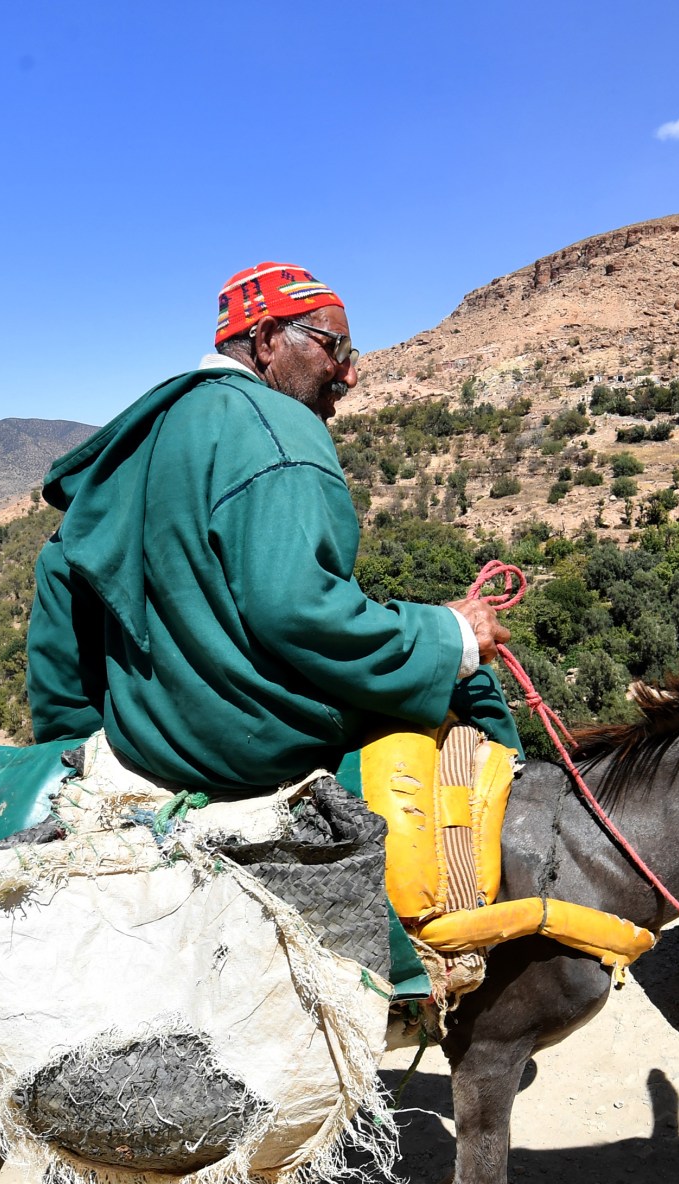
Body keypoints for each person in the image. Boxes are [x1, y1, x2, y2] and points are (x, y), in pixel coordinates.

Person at [26, 262, 520, 794]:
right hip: (253, 745)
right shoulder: (280, 427)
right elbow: (300, 611)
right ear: (267, 340)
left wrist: (71, 740)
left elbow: (61, 570)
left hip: (150, 739)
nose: (350, 373)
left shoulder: (154, 426)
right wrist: (451, 637)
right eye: (336, 348)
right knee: (473, 686)